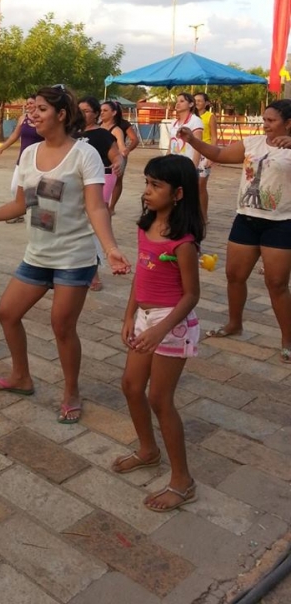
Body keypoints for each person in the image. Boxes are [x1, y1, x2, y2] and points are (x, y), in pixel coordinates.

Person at [0, 85, 130, 423]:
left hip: (74, 257)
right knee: (7, 313)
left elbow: (96, 207)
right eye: (31, 108)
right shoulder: (29, 153)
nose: (32, 114)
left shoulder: (84, 154)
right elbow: (21, 204)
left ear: (61, 114)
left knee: (62, 326)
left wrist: (110, 249)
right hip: (37, 254)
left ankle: (71, 391)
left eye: (41, 109)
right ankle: (21, 376)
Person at [113, 154, 203, 513]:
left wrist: (161, 328)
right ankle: (148, 450)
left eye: (156, 185)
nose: (147, 191)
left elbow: (191, 295)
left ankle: (183, 480)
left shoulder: (183, 242)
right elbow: (142, 274)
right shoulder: (146, 226)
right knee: (131, 386)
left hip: (171, 323)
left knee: (160, 399)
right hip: (145, 318)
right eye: (146, 183)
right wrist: (129, 314)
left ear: (178, 193)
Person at [178, 100, 291, 363]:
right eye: (264, 119)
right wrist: (193, 141)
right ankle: (234, 323)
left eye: (271, 120)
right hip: (246, 219)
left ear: (288, 123)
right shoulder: (253, 143)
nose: (265, 125)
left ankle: (288, 338)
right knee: (234, 276)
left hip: (281, 222)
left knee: (276, 284)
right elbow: (218, 154)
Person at [78, 95, 123, 291]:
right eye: (79, 111)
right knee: (80, 222)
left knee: (93, 223)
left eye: (86, 111)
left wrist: (119, 163)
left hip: (101, 179)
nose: (81, 114)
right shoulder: (71, 133)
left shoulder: (103, 135)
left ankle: (93, 269)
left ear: (96, 113)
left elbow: (116, 156)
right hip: (77, 181)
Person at [0, 95, 43, 223]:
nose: (28, 105)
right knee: (14, 188)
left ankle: (35, 215)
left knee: (36, 190)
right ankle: (19, 212)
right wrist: (2, 147)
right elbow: (15, 136)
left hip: (38, 161)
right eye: (27, 103)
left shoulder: (42, 119)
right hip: (22, 160)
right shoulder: (23, 118)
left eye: (31, 103)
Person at [108, 101, 140, 215]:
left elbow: (135, 139)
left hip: (119, 154)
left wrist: (127, 149)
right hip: (106, 155)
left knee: (117, 180)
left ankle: (112, 205)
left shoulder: (123, 124)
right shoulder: (101, 123)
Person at [194, 92, 218, 223]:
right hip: (192, 152)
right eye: (195, 100)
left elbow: (214, 136)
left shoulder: (210, 116)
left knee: (201, 185)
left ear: (206, 103)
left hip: (205, 152)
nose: (197, 102)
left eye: (199, 100)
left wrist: (212, 155)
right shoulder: (191, 116)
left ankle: (203, 215)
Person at [168, 93, 204, 166]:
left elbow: (198, 147)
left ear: (191, 104)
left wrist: (194, 167)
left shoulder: (195, 120)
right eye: (177, 101)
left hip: (187, 165)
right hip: (173, 164)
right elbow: (170, 146)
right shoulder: (174, 122)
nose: (178, 104)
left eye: (182, 101)